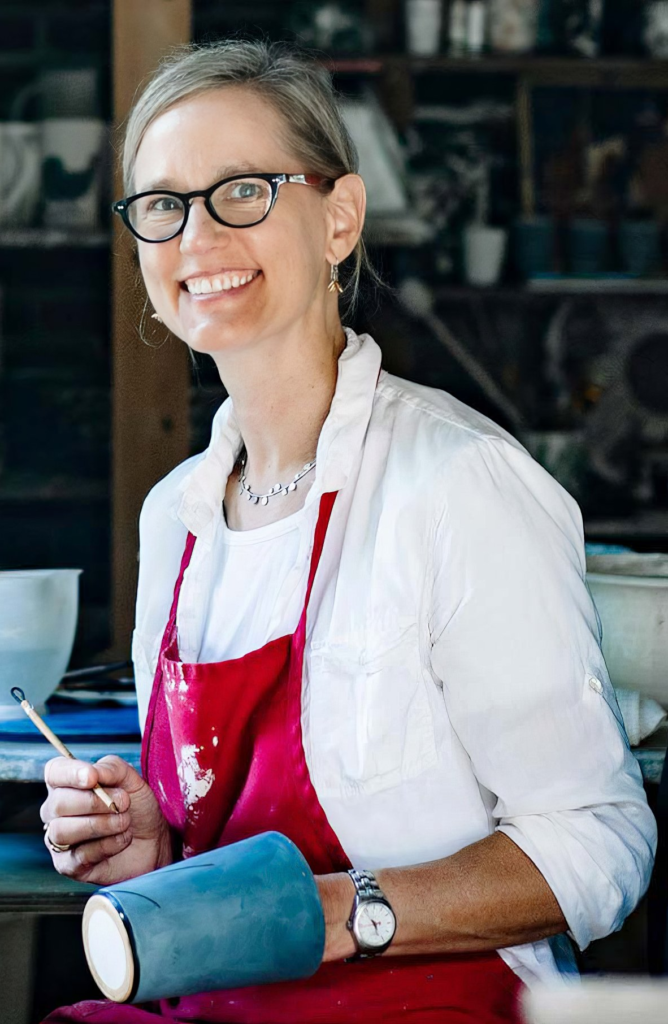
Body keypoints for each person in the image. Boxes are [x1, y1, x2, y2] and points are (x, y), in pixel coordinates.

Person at [40, 40, 656, 1024]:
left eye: (241, 190)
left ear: (339, 219)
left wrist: (346, 912)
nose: (196, 233)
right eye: (162, 204)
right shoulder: (175, 517)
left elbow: (600, 840)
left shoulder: (458, 482)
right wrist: (153, 850)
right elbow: (227, 848)